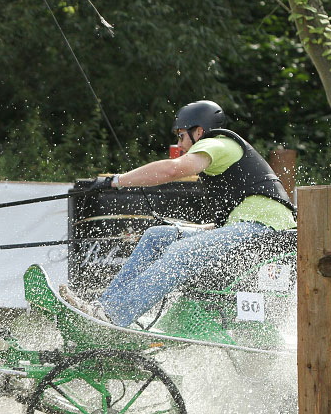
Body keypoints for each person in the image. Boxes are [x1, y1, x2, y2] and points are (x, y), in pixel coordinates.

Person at [59, 100, 296, 327]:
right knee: (157, 237)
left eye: (182, 136)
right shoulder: (220, 158)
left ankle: (113, 316)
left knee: (181, 251)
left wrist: (116, 181)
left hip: (267, 232)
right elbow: (233, 219)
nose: (180, 145)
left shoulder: (217, 143)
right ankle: (101, 308)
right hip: (254, 229)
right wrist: (192, 229)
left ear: (199, 132)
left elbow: (173, 169)